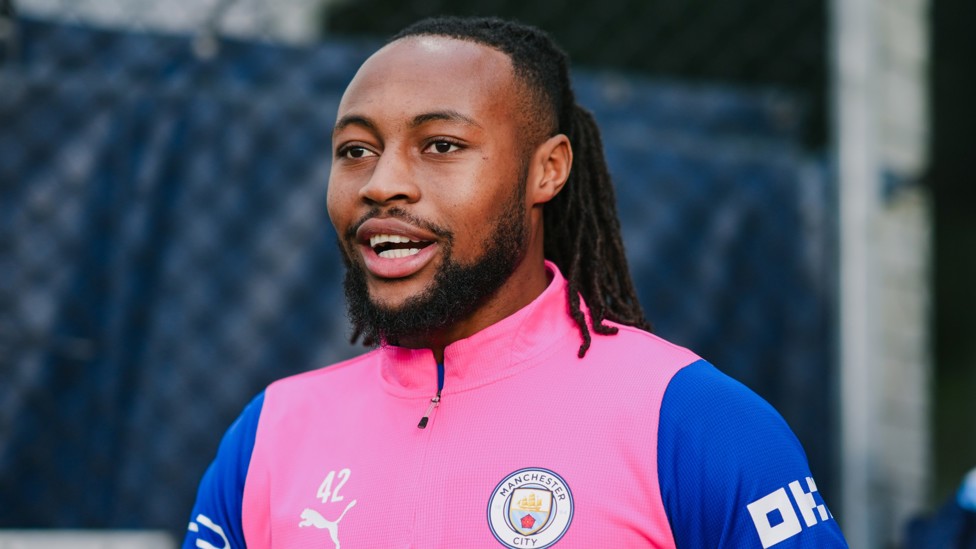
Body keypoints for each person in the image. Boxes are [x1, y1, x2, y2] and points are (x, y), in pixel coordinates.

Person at [183, 16, 848, 549]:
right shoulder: (270, 435)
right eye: (356, 150)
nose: (382, 183)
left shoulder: (694, 422)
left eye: (441, 145)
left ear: (547, 170)